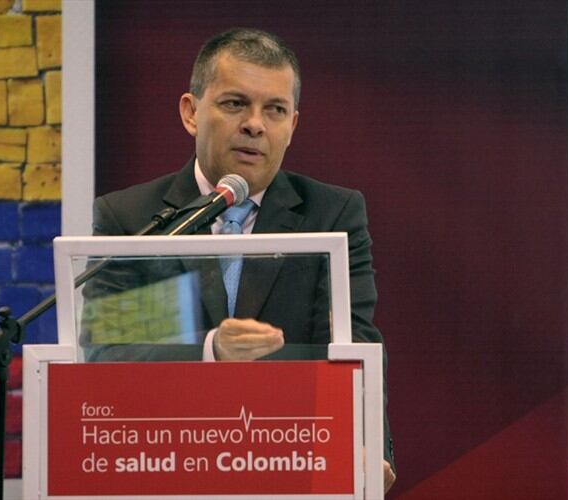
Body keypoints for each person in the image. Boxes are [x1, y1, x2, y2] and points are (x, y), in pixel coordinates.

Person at [92, 28, 396, 492]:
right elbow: (109, 354)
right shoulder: (129, 216)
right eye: (235, 104)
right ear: (191, 113)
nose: (256, 124)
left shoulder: (331, 213)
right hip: (163, 463)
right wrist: (211, 349)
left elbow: (354, 340)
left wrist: (367, 443)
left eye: (274, 110)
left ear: (292, 125)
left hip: (290, 460)